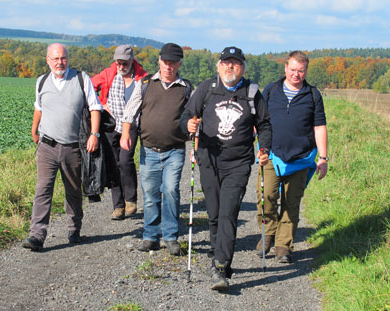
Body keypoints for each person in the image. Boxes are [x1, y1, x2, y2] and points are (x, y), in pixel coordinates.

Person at [180, 47, 272, 291]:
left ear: (243, 67)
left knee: (228, 212)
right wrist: (187, 124)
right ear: (219, 66)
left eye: (236, 63)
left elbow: (264, 124)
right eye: (226, 62)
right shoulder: (207, 89)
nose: (230, 67)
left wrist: (265, 149)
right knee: (214, 213)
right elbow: (187, 115)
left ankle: (221, 265)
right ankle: (216, 254)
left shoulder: (252, 93)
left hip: (239, 163)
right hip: (209, 160)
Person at [22, 43, 102, 251]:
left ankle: (74, 229)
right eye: (55, 58)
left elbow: (95, 108)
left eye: (63, 58)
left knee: (73, 191)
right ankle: (37, 235)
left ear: (68, 59)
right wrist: (34, 130)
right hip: (47, 146)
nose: (60, 62)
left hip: (73, 147)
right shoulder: (42, 81)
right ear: (48, 60)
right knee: (43, 190)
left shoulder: (81, 79)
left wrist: (94, 134)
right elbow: (38, 108)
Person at [255, 50, 328, 264]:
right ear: (285, 68)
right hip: (270, 155)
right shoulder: (270, 91)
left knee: (291, 202)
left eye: (301, 71)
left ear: (306, 71)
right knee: (266, 196)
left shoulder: (313, 95)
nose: (296, 74)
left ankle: (283, 246)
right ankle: (267, 233)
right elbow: (259, 121)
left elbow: (319, 126)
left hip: (301, 158)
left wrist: (323, 158)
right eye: (293, 69)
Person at [120, 43, 191, 256]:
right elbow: (130, 111)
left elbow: (194, 115)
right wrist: (125, 134)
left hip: (175, 150)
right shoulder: (145, 84)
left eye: (173, 63)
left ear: (179, 64)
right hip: (149, 150)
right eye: (165, 62)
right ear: (159, 61)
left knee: (170, 190)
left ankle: (170, 237)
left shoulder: (187, 88)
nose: (168, 66)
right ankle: (150, 236)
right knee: (150, 194)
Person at [91, 44, 148, 220]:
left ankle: (131, 199)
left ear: (132, 61)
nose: (121, 67)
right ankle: (118, 206)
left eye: (124, 63)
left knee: (125, 161)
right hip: (110, 124)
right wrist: (101, 104)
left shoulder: (143, 78)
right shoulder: (109, 74)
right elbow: (89, 87)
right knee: (113, 164)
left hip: (131, 125)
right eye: (118, 63)